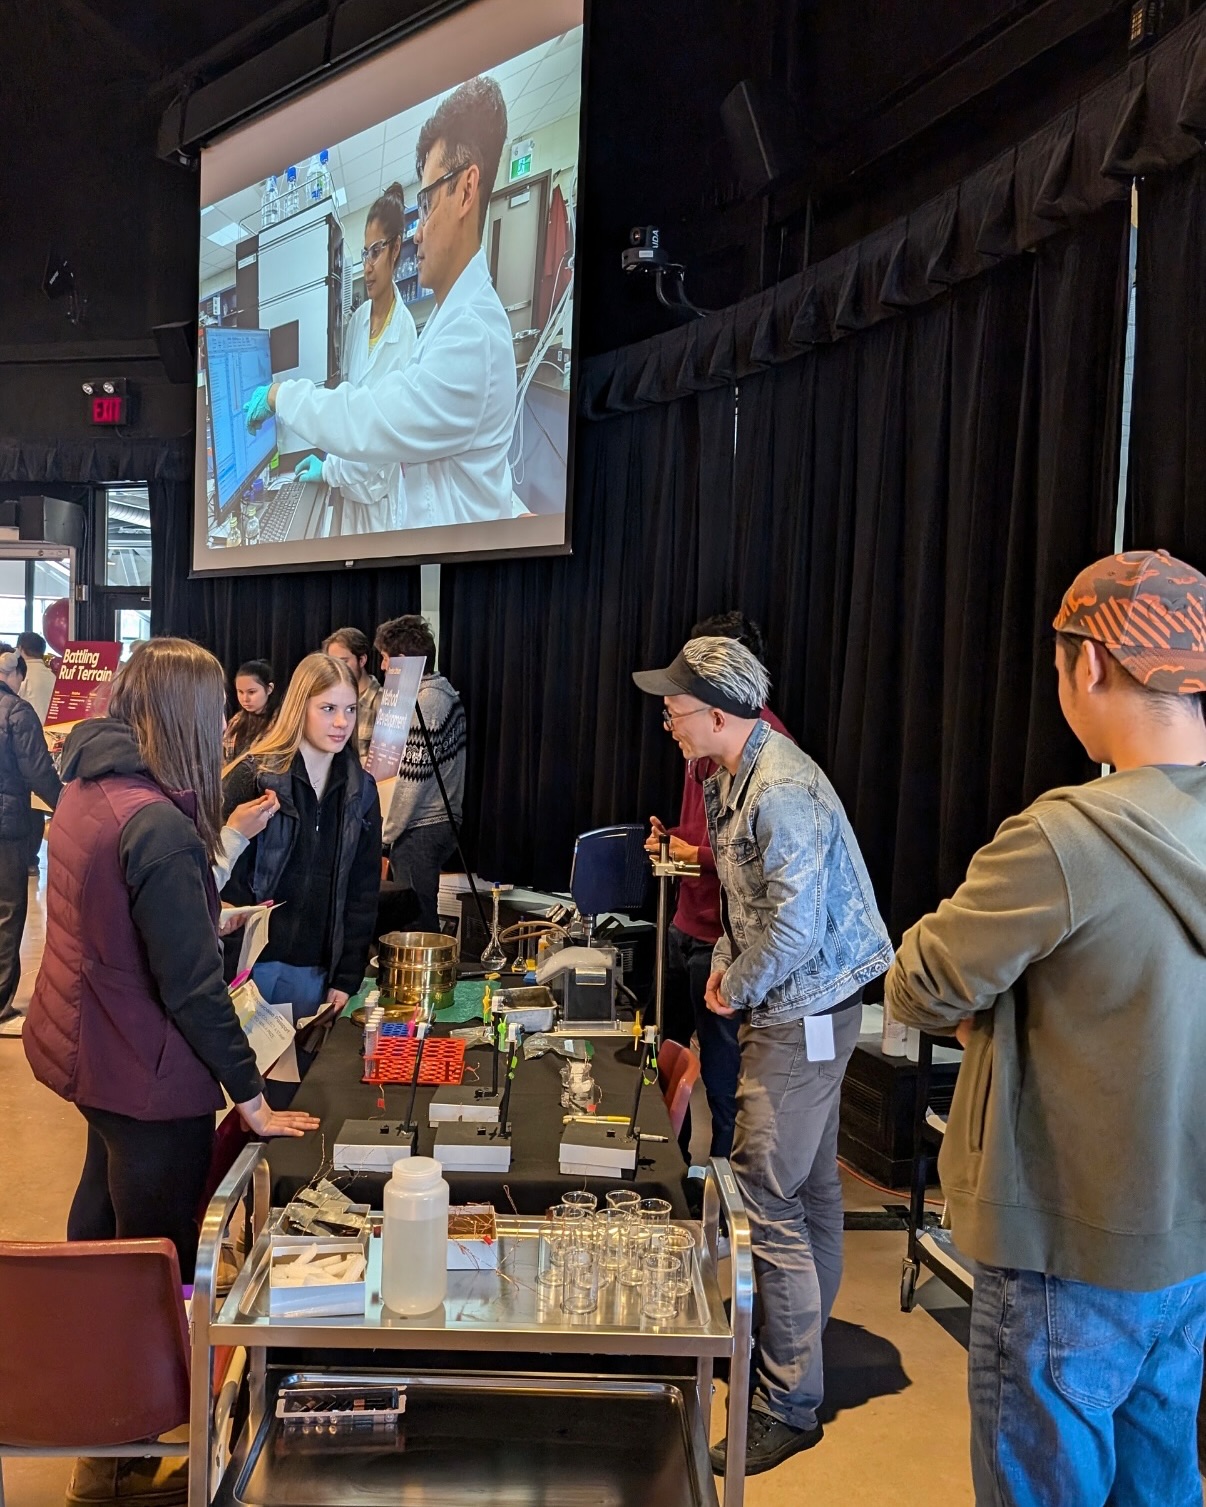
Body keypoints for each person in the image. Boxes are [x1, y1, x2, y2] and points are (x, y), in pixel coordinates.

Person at [885, 548, 1206, 1507]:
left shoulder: (1065, 836)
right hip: (1186, 1250)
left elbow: (919, 983)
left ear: (1092, 665)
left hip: (1062, 1252)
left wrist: (1001, 993)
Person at [633, 635, 893, 1477]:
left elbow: (794, 928)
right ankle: (798, 1352)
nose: (666, 718)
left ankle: (787, 1399)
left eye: (676, 705)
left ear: (719, 711)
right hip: (790, 1002)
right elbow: (746, 905)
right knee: (810, 1185)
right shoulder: (728, 775)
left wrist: (733, 985)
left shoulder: (780, 789)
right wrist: (724, 968)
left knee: (766, 1193)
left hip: (804, 1011)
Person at [22, 639, 317, 1274]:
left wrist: (201, 916)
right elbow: (193, 989)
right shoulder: (156, 825)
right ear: (183, 715)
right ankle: (146, 1365)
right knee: (158, 1253)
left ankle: (92, 1334)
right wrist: (251, 1095)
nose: (223, 725)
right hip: (143, 1067)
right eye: (214, 710)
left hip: (92, 1046)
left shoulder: (89, 781)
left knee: (101, 1205)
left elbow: (108, 912)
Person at [245, 77, 518, 529]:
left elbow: (371, 417)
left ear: (467, 190)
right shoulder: (451, 323)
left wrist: (280, 394)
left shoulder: (473, 337)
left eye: (427, 203)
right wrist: (330, 468)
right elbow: (364, 407)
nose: (418, 230)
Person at [645, 611, 791, 1161]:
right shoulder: (702, 741)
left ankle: (725, 1199)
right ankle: (668, 1176)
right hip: (690, 923)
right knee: (671, 1065)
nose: (671, 721)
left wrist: (699, 856)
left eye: (677, 708)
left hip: (726, 938)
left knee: (727, 1087)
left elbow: (771, 884)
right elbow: (713, 832)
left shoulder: (771, 763)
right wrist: (674, 841)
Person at [221, 653, 382, 1088]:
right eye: (327, 708)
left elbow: (363, 891)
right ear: (299, 707)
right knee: (237, 1102)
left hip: (315, 971)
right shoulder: (253, 776)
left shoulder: (361, 791)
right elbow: (215, 869)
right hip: (247, 970)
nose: (341, 722)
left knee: (292, 1098)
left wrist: (347, 976)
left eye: (350, 709)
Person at [293, 184, 418, 536]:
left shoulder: (404, 335)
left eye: (376, 252)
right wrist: (331, 462)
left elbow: (380, 439)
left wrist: (330, 471)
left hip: (376, 502)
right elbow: (348, 405)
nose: (367, 266)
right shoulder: (359, 320)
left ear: (396, 249)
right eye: (364, 253)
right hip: (346, 489)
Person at [374, 614, 465, 933]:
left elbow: (411, 782)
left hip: (422, 824)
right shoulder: (441, 693)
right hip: (432, 822)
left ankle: (426, 982)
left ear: (403, 662)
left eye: (386, 659)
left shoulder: (425, 703)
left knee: (415, 918)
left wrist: (386, 835)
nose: (383, 667)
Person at [0, 646, 61, 1035]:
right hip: (7, 825)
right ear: (17, 674)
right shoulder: (17, 712)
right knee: (7, 909)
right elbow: (38, 771)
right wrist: (66, 805)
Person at [322, 627, 382, 761]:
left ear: (362, 660)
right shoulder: (325, 700)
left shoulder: (382, 702)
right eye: (333, 663)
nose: (338, 669)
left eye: (344, 662)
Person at [222, 658, 277, 763]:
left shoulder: (279, 723)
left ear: (269, 689)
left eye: (251, 692)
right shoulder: (236, 721)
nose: (245, 699)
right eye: (240, 692)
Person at [17, 630, 55, 723]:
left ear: (20, 649)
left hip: (28, 730)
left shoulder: (20, 675)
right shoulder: (52, 676)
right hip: (52, 731)